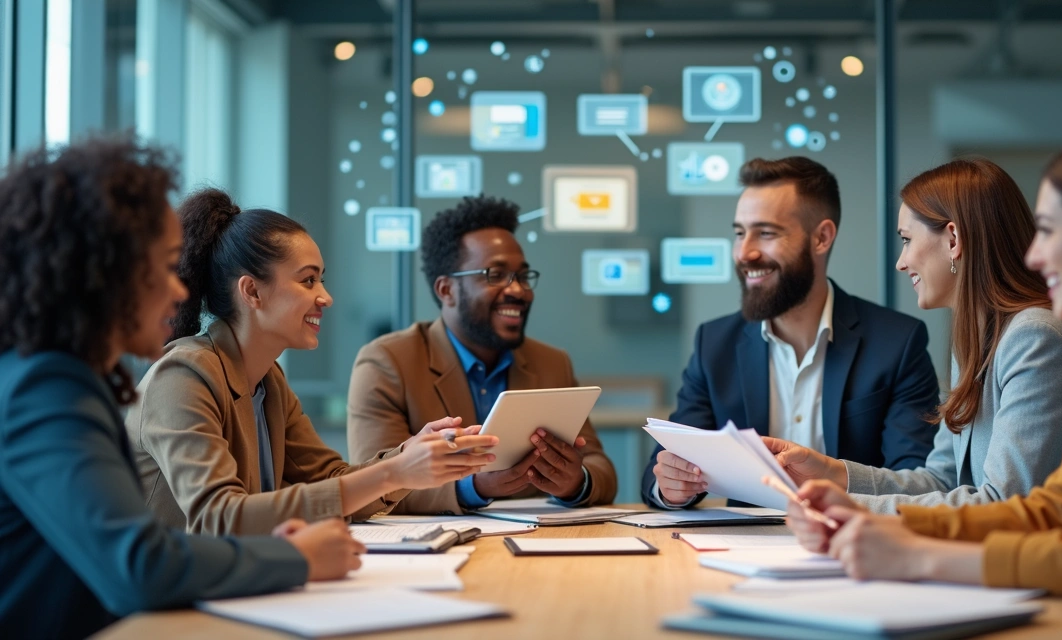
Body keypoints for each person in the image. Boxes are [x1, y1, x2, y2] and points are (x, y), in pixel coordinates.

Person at [785, 128, 1062, 638]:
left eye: (1050, 231)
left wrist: (919, 554)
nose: (1035, 256)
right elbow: (1049, 507)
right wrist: (866, 507)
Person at [0, 137, 364, 638]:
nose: (178, 289)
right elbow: (141, 566)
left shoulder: (64, 382)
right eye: (163, 266)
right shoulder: (45, 391)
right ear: (102, 273)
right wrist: (292, 557)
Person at [126, 188, 498, 535]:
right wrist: (394, 472)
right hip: (163, 602)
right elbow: (219, 517)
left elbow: (329, 478)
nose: (326, 298)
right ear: (252, 291)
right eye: (308, 281)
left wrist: (411, 455)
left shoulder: (268, 382)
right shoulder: (182, 377)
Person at [763, 158, 1062, 513]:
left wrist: (838, 505)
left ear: (954, 239)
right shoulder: (981, 343)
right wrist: (831, 474)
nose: (901, 261)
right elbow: (941, 480)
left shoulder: (1036, 340)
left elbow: (1002, 504)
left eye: (907, 240)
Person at [642, 156, 941, 509]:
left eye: (766, 233)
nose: (744, 252)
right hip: (740, 553)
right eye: (739, 233)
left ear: (822, 237)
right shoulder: (714, 344)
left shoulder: (897, 343)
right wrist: (671, 486)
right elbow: (660, 469)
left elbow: (915, 477)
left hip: (849, 546)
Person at [347, 195, 617, 514]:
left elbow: (600, 467)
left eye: (522, 276)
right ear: (446, 290)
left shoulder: (552, 362)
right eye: (495, 274)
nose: (517, 290)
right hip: (440, 550)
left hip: (540, 543)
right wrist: (472, 486)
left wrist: (576, 482)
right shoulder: (387, 362)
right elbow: (373, 484)